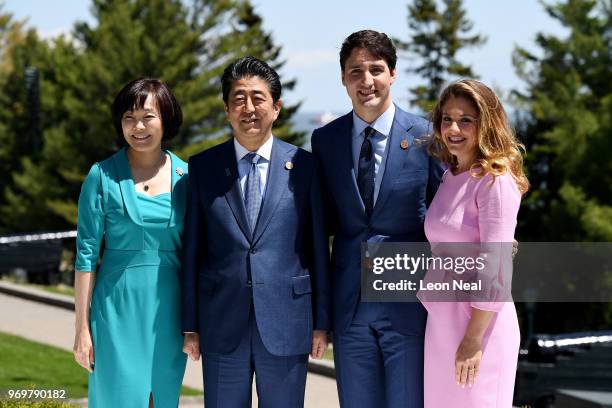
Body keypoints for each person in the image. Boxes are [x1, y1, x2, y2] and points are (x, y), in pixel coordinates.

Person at [180, 56, 330, 408]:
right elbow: (192, 250)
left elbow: (318, 249)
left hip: (287, 323)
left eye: (258, 98)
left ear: (276, 108)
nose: (249, 107)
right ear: (227, 109)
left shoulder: (305, 167)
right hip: (220, 323)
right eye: (238, 98)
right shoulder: (203, 167)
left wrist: (322, 322)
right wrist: (190, 324)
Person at [310, 30, 444, 408]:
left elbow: (446, 220)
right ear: (343, 79)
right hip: (350, 311)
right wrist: (322, 316)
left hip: (410, 309)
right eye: (356, 71)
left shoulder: (426, 137)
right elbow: (320, 234)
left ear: (393, 74)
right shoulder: (325, 141)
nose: (366, 81)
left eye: (376, 69)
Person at [73, 78, 188, 408]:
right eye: (128, 117)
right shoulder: (101, 176)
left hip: (169, 314)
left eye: (148, 117)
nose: (138, 126)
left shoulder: (188, 179)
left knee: (161, 399)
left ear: (166, 118)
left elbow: (198, 256)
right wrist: (81, 329)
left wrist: (195, 325)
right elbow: (85, 257)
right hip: (114, 312)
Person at [421, 79, 529, 407]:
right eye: (447, 119)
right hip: (441, 326)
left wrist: (473, 339)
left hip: (480, 330)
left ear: (486, 123)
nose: (454, 128)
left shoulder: (496, 181)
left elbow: (496, 266)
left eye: (466, 119)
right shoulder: (449, 177)